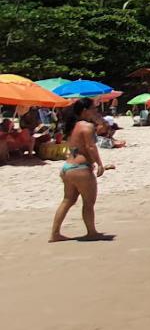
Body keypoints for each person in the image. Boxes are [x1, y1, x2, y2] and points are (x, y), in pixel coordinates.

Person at [50, 98, 114, 242]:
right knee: (88, 202)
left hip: (68, 167)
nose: (96, 111)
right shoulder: (87, 126)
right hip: (81, 168)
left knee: (67, 200)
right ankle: (91, 232)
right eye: (93, 108)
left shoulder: (72, 125)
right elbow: (91, 147)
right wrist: (100, 164)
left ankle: (55, 233)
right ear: (85, 110)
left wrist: (100, 121)